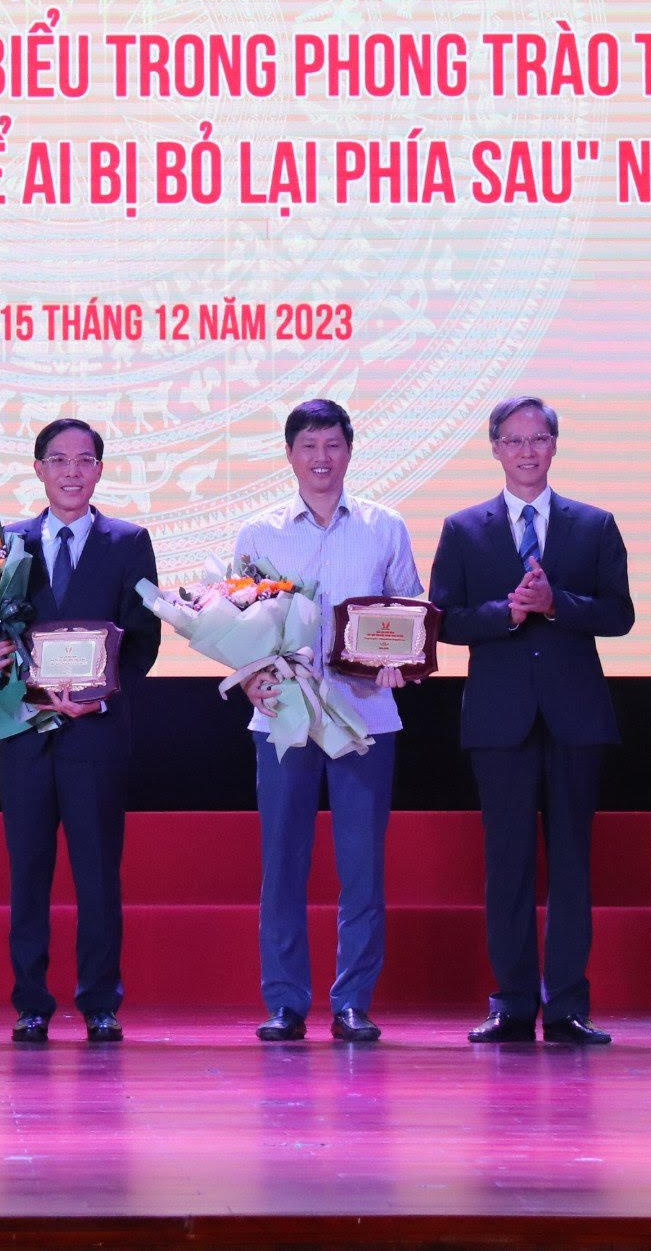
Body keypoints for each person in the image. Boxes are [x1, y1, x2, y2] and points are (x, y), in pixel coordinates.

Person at [426, 396, 633, 1046]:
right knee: (507, 866)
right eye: (513, 440)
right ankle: (513, 1004)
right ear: (494, 447)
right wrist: (508, 614)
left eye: (537, 438)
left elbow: (620, 614)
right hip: (500, 720)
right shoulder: (464, 529)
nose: (526, 450)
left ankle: (567, 1006)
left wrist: (555, 603)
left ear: (554, 445)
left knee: (571, 864)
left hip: (575, 718)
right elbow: (442, 621)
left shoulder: (593, 524)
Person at [0, 418, 162, 1044]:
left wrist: (95, 700)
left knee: (98, 875)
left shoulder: (129, 541)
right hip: (24, 733)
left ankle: (100, 1002)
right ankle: (30, 1002)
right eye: (58, 460)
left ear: (99, 469)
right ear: (38, 469)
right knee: (28, 875)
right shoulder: (5, 543)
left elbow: (143, 640)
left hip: (96, 734)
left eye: (84, 460)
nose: (71, 471)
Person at [230, 399, 423, 1043]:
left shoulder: (384, 526)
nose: (322, 458)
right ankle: (286, 1002)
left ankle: (353, 1002)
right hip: (283, 716)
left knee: (362, 865)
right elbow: (237, 621)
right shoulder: (259, 532)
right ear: (289, 454)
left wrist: (401, 661)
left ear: (349, 451)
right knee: (283, 863)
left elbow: (410, 610)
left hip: (365, 713)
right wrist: (251, 673)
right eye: (309, 446)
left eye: (333, 445)